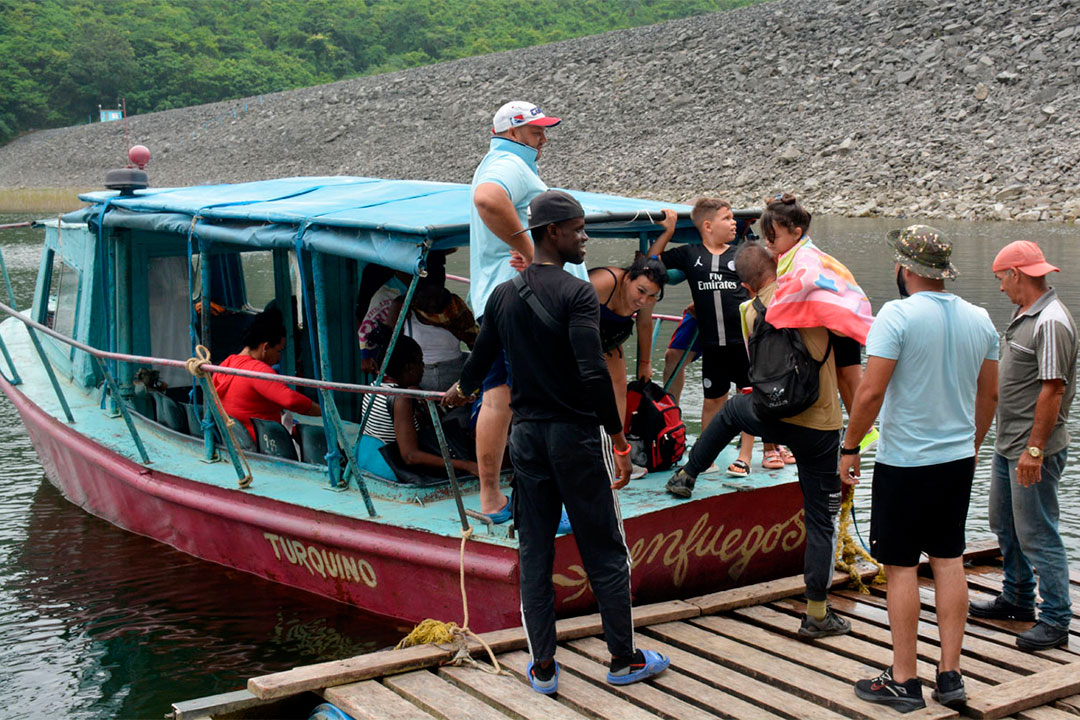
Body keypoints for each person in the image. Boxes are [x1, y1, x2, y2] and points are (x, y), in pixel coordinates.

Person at [445, 190, 669, 695]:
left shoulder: (503, 295)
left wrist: (458, 394)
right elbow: (592, 371)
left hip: (526, 441)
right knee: (605, 550)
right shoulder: (578, 294)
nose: (585, 238)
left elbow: (476, 367)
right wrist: (618, 438)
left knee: (536, 552)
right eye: (578, 230)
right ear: (553, 233)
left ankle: (543, 667)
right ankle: (624, 659)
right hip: (574, 436)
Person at [667, 195, 874, 639]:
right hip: (819, 428)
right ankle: (817, 613)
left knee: (729, 414)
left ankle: (687, 473)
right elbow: (848, 374)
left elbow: (756, 366)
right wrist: (858, 438)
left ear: (745, 285)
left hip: (769, 412)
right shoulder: (822, 304)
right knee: (820, 517)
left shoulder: (747, 309)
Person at [841, 225, 999, 712]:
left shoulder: (897, 315)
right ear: (943, 272)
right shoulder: (981, 318)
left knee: (902, 566)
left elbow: (870, 392)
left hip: (906, 461)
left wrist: (849, 448)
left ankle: (904, 679)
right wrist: (971, 444)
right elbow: (988, 395)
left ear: (904, 269)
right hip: (957, 461)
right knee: (949, 560)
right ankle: (950, 676)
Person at [468, 100, 585, 522]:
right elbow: (487, 199)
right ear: (513, 133)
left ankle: (491, 499)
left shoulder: (501, 163)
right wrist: (531, 251)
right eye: (536, 131)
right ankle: (547, 507)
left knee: (498, 397)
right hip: (528, 302)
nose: (544, 138)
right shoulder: (508, 165)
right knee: (545, 402)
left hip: (500, 300)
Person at [970, 241, 1077, 651]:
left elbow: (1052, 390)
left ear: (1016, 273)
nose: (1000, 288)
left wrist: (1034, 450)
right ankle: (1016, 597)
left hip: (1034, 449)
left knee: (1037, 532)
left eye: (1001, 278)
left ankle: (1056, 618)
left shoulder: (1051, 321)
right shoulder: (1025, 313)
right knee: (1005, 523)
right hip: (1009, 442)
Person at [647, 198, 762, 476]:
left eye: (734, 217)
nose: (734, 222)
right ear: (708, 226)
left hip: (742, 343)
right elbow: (651, 262)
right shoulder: (689, 254)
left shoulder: (741, 253)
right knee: (713, 400)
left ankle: (745, 456)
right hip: (712, 345)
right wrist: (668, 232)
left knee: (747, 397)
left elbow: (758, 288)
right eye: (727, 218)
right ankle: (706, 457)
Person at [363, 335, 480, 478]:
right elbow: (410, 456)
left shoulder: (375, 387)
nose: (423, 368)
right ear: (409, 368)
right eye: (420, 363)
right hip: (392, 470)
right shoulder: (401, 399)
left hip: (370, 461)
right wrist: (466, 465)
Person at [213, 309, 322, 441]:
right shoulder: (257, 370)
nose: (279, 357)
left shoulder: (225, 365)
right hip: (264, 443)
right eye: (278, 351)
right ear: (265, 347)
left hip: (236, 440)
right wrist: (324, 412)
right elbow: (291, 400)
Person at [588, 252, 666, 423]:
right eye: (640, 291)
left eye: (652, 295)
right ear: (628, 277)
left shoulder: (647, 299)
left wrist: (645, 364)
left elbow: (644, 324)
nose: (643, 301)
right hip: (575, 334)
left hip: (608, 340)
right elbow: (562, 308)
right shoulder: (603, 283)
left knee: (618, 387)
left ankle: (618, 444)